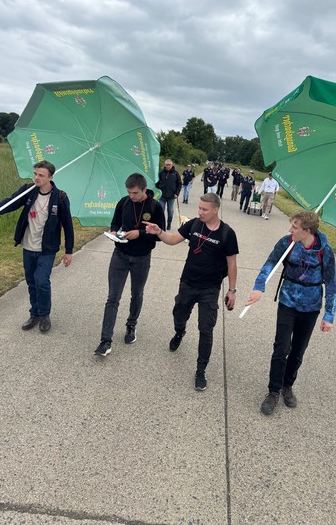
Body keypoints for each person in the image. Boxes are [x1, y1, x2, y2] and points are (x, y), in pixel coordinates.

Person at [245, 210, 336, 416]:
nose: (290, 230)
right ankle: (273, 391)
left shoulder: (325, 251)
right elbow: (269, 264)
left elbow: (332, 285)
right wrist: (259, 287)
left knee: (297, 352)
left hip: (311, 307)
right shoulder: (286, 243)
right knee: (281, 348)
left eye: (295, 227)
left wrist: (329, 315)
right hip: (287, 302)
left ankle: (287, 385)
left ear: (307, 231)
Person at [143, 193, 239, 391]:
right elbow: (172, 239)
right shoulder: (194, 224)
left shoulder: (227, 234)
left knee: (206, 328)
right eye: (199, 208)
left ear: (215, 210)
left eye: (204, 209)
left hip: (210, 288)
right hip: (188, 283)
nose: (200, 212)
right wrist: (158, 231)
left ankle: (201, 369)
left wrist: (232, 290)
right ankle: (180, 332)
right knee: (179, 315)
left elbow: (232, 264)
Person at [0, 160, 74, 333]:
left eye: (41, 175)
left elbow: (68, 226)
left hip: (47, 249)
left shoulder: (60, 197)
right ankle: (35, 314)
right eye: (35, 174)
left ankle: (44, 315)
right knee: (31, 281)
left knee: (42, 281)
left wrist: (69, 251)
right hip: (28, 246)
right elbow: (10, 203)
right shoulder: (28, 191)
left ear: (50, 177)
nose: (37, 178)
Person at [94, 173, 165, 357]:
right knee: (113, 297)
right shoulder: (123, 202)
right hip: (120, 254)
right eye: (129, 192)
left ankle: (131, 325)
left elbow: (161, 234)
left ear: (144, 190)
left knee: (137, 293)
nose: (131, 196)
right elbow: (115, 222)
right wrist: (114, 232)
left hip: (142, 257)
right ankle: (105, 341)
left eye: (135, 193)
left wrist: (140, 233)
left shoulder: (155, 207)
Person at [156, 159, 182, 230]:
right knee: (161, 211)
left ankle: (169, 223)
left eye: (169, 165)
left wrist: (177, 193)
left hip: (171, 196)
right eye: (167, 165)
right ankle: (161, 224)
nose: (168, 166)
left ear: (172, 165)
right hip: (162, 196)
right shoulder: (161, 173)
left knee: (170, 211)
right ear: (165, 165)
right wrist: (157, 191)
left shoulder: (175, 173)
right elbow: (157, 183)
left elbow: (179, 184)